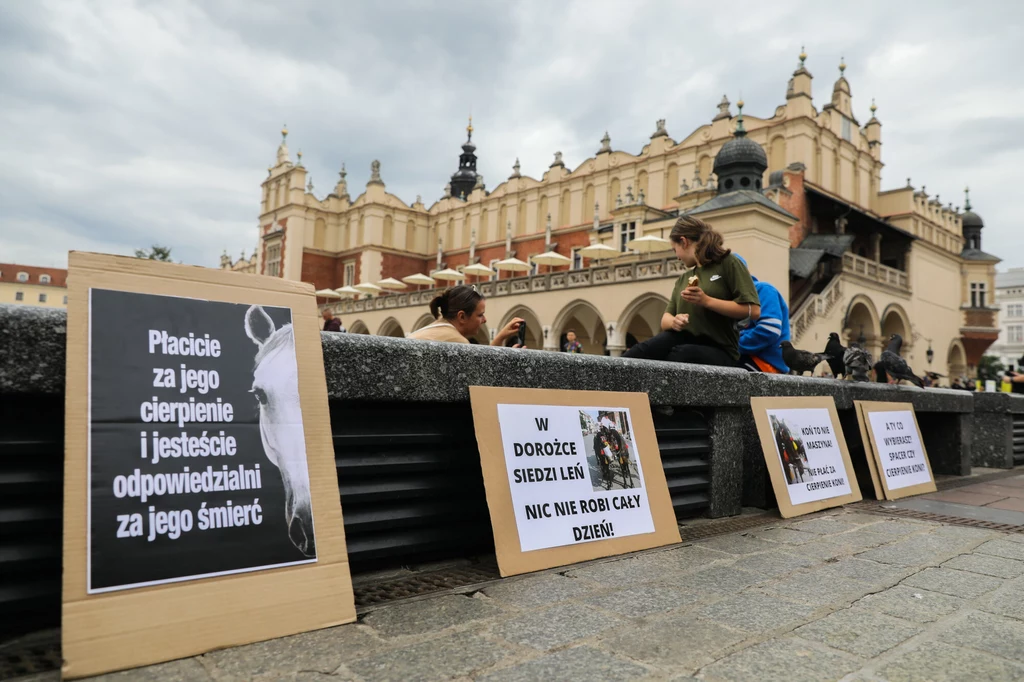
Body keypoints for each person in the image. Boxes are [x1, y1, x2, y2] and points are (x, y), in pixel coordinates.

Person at [623, 215, 760, 367]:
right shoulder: (683, 279)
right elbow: (665, 319)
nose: (677, 258)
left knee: (678, 355)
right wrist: (675, 321)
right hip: (682, 338)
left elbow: (753, 311)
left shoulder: (728, 262)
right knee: (638, 352)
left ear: (684, 241)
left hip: (720, 348)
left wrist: (706, 301)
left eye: (675, 250)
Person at [408, 284, 524, 346]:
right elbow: (479, 375)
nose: (485, 319)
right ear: (462, 317)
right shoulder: (457, 341)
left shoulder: (434, 329)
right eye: (480, 315)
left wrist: (499, 338)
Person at [733, 254, 789, 373]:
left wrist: (732, 345)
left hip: (765, 363)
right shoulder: (729, 300)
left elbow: (769, 330)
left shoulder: (763, 289)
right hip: (748, 359)